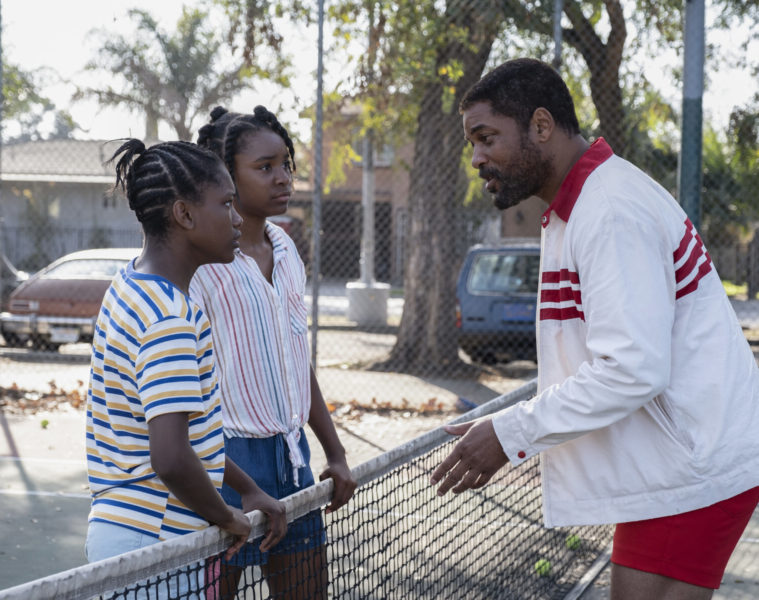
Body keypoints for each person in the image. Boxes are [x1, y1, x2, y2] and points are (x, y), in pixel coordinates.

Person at [430, 58, 759, 600]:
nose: (476, 158)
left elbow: (632, 370)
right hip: (680, 461)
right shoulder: (581, 204)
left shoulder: (609, 209)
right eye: (472, 143)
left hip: (695, 466)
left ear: (541, 125)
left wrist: (511, 434)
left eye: (486, 138)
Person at [85, 139, 287, 597]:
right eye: (226, 204)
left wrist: (247, 487)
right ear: (184, 214)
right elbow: (171, 457)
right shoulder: (170, 318)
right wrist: (227, 516)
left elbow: (188, 436)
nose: (237, 219)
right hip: (154, 545)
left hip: (129, 537)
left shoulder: (130, 284)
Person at [192, 105, 357, 599]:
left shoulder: (284, 248)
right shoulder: (201, 262)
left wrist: (335, 452)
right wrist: (234, 479)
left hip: (292, 458)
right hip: (225, 465)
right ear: (225, 175)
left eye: (285, 163)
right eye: (264, 167)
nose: (283, 177)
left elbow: (295, 360)